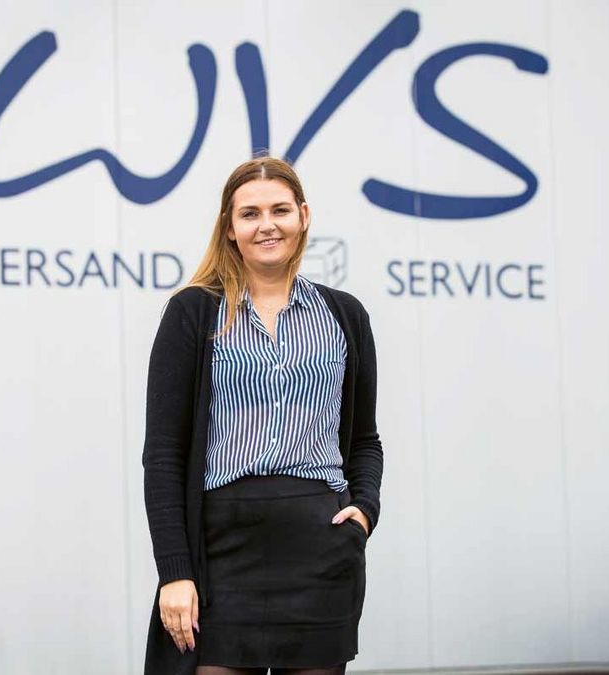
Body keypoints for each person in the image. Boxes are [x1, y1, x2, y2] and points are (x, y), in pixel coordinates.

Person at [142, 156, 383, 675]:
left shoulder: (345, 315)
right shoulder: (193, 312)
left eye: (280, 210)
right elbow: (163, 456)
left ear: (303, 216)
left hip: (320, 550)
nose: (267, 225)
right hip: (221, 554)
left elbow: (365, 440)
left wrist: (364, 510)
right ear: (229, 228)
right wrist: (175, 571)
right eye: (249, 214)